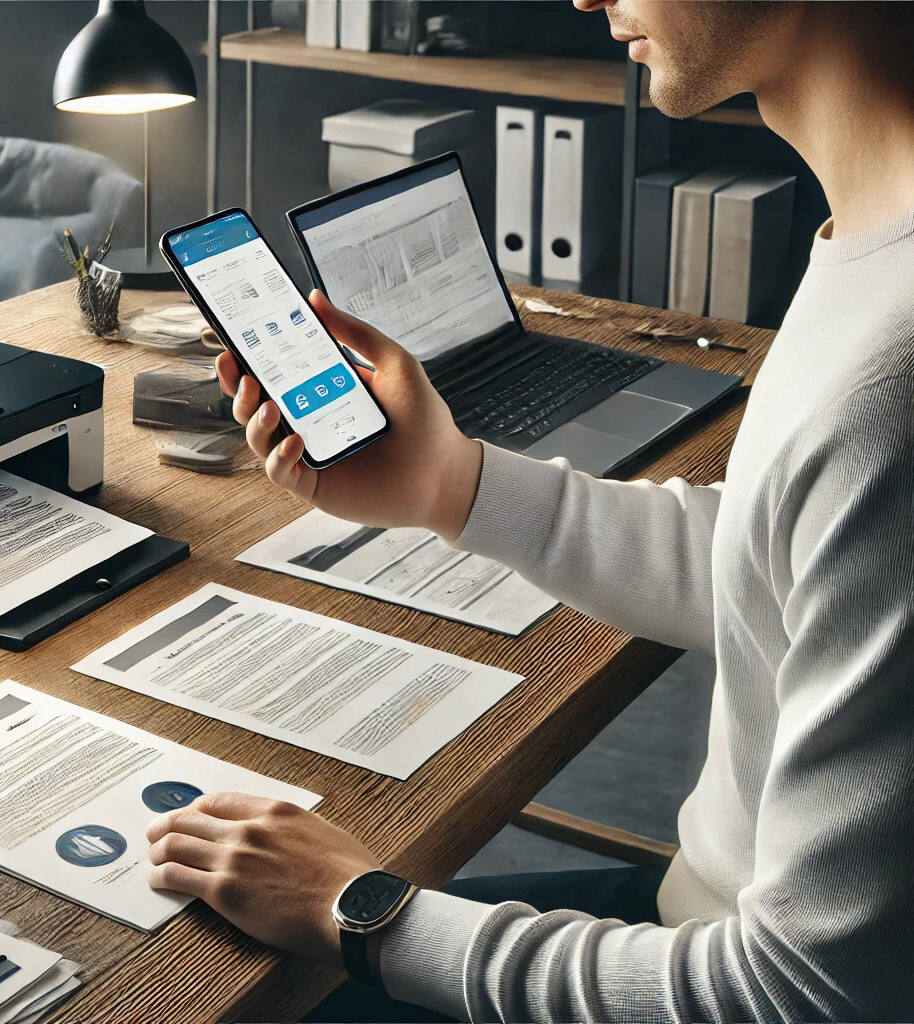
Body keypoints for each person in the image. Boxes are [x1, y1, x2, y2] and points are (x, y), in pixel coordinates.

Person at [144, 1, 914, 1019]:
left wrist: (358, 905)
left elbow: (808, 991)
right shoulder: (872, 247)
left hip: (725, 969)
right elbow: (778, 558)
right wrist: (452, 483)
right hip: (701, 918)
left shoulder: (892, 388)